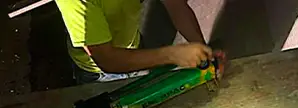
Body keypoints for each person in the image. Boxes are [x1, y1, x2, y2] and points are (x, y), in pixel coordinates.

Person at [54, 0, 213, 84]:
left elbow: (175, 5)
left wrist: (202, 51)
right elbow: (106, 59)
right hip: (97, 72)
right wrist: (172, 55)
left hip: (134, 46)